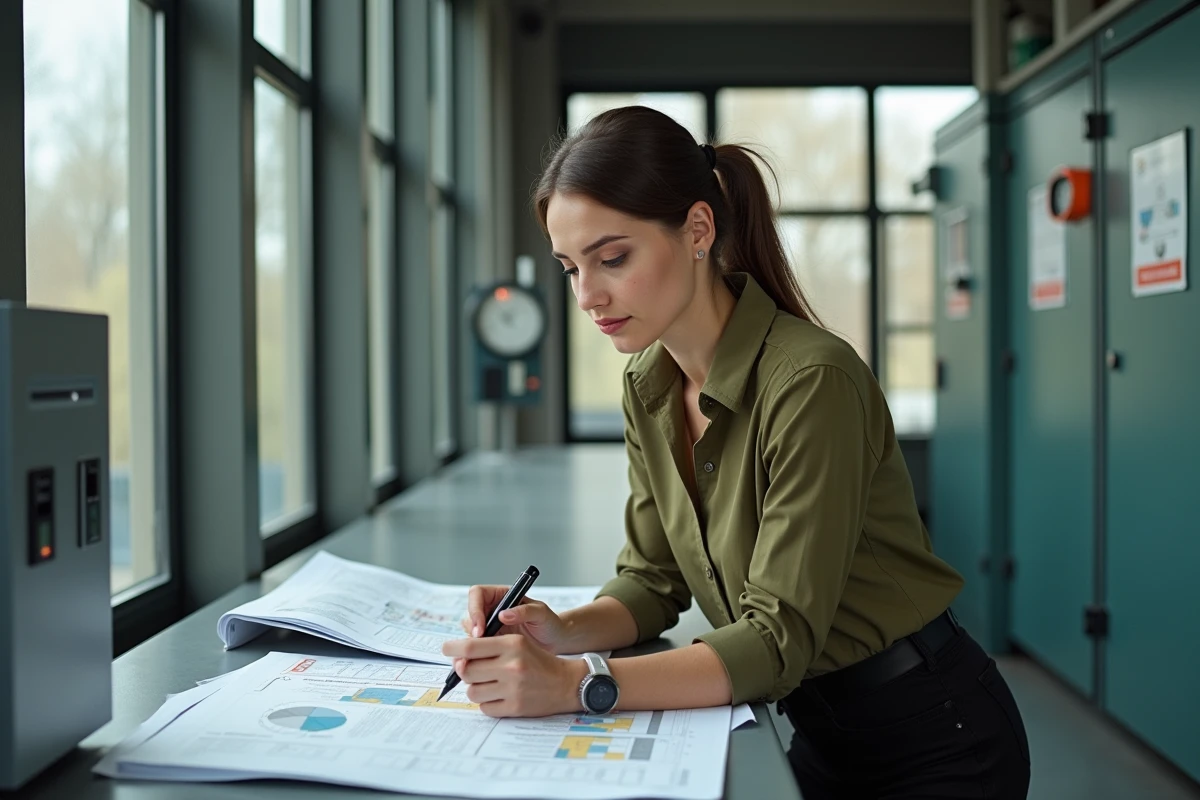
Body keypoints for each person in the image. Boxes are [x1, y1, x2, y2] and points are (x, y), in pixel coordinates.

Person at [442, 105, 1031, 799]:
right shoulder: (649, 382)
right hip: (818, 730)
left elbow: (777, 641)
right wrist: (559, 631)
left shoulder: (811, 382)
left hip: (935, 737)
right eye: (570, 268)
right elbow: (652, 581)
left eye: (613, 258)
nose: (587, 296)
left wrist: (577, 685)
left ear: (698, 229)